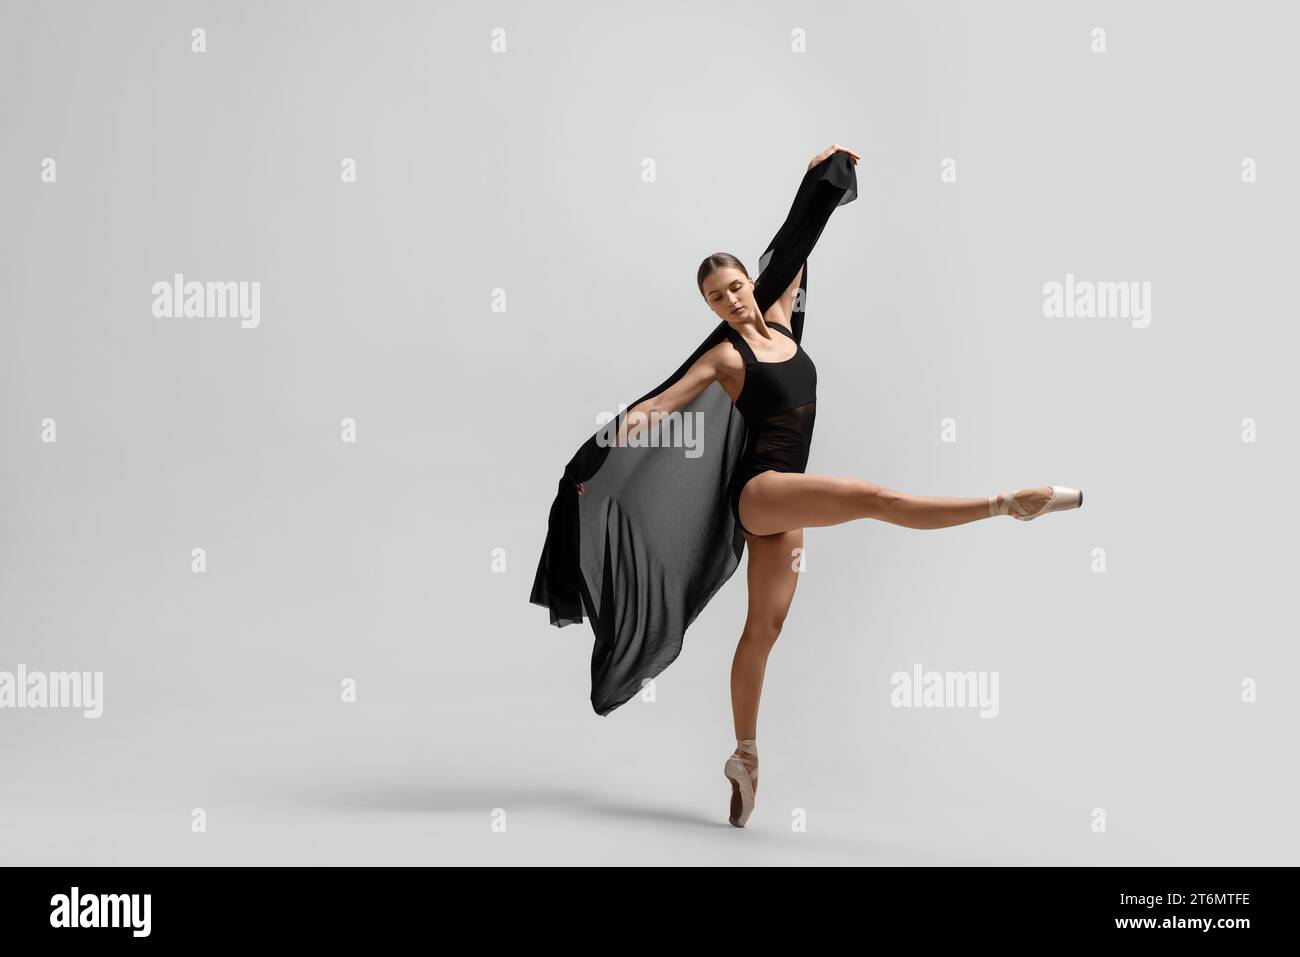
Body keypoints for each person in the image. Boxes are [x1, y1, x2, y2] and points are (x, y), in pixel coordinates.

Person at [532, 144, 1082, 828]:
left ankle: (743, 755)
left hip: (783, 507)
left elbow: (796, 241)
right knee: (873, 498)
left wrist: (815, 177)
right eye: (714, 297)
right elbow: (657, 408)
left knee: (764, 628)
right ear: (709, 306)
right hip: (759, 491)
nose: (730, 300)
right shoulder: (724, 356)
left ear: (748, 283)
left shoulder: (786, 316)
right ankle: (1007, 503)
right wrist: (590, 460)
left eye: (734, 287)